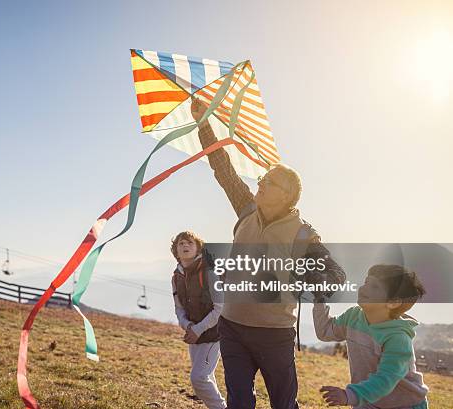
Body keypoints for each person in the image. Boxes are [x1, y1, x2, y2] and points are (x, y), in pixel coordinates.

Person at [191, 97, 346, 409]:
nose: (259, 183)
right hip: (232, 327)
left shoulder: (304, 235)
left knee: (283, 404)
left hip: (274, 335)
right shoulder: (247, 210)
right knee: (239, 404)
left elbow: (335, 278)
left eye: (269, 182)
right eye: (261, 179)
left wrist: (301, 276)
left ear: (287, 194)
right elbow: (223, 169)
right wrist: (202, 122)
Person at [314, 264, 429, 408]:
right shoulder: (353, 317)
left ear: (393, 303)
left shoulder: (397, 338)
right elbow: (325, 331)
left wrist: (351, 395)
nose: (363, 288)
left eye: (374, 287)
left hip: (403, 404)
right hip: (368, 401)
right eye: (366, 282)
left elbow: (386, 378)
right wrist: (319, 298)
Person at [171, 231, 227, 409]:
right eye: (181, 244)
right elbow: (179, 308)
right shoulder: (176, 277)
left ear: (198, 248)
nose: (185, 246)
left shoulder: (209, 272)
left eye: (189, 243)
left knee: (199, 378)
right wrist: (187, 326)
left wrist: (198, 329)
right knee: (206, 377)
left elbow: (220, 307)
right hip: (193, 334)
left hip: (213, 334)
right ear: (175, 251)